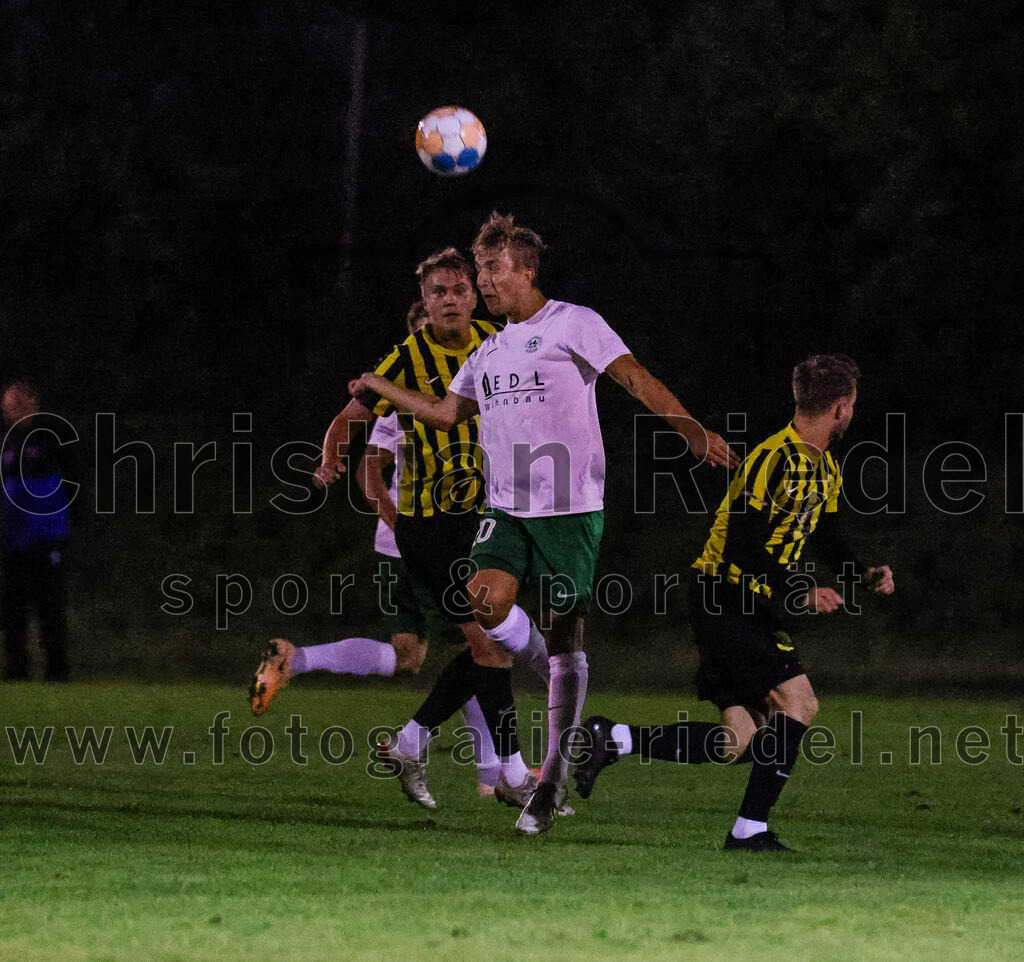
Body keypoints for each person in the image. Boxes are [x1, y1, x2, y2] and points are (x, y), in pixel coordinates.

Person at [351, 212, 738, 834]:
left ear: (527, 271)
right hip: (505, 508)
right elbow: (446, 414)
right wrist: (382, 385)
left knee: (565, 640)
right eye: (481, 269)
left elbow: (634, 378)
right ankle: (546, 674)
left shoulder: (573, 322)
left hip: (569, 509)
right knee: (483, 601)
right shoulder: (488, 349)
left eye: (493, 269)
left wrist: (688, 428)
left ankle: (552, 771)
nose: (484, 280)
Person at [573, 353, 895, 851]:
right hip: (723, 596)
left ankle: (612, 738)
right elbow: (742, 544)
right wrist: (799, 590)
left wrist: (862, 575)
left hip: (751, 604)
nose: (852, 412)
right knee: (800, 701)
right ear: (841, 407)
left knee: (738, 741)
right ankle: (749, 831)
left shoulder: (826, 467)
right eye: (852, 403)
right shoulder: (773, 459)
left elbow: (825, 534)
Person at [265, 249, 550, 810]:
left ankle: (424, 745)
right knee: (491, 645)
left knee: (492, 649)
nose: (450, 299)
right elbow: (351, 416)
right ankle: (504, 773)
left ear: (475, 294)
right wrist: (329, 458)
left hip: (485, 520)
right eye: (438, 291)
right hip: (429, 526)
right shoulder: (406, 357)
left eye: (459, 289)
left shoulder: (498, 342)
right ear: (424, 301)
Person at [1, 381, 76, 681]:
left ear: (33, 402)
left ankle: (57, 671)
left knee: (50, 605)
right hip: (15, 540)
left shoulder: (51, 437)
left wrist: (59, 530)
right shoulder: (7, 442)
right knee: (13, 608)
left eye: (16, 404)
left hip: (46, 538)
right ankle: (17, 670)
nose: (10, 412)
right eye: (7, 407)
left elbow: (66, 488)